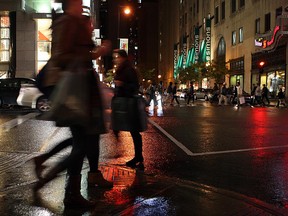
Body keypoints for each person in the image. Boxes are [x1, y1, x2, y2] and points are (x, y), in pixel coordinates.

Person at [32, 0, 112, 209]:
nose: (81, 4)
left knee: (82, 140)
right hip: (75, 91)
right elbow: (62, 56)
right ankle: (63, 189)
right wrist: (95, 52)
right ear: (70, 5)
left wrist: (93, 51)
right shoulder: (68, 22)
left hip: (81, 89)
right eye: (77, 2)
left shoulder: (73, 22)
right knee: (82, 142)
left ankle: (60, 182)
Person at [112, 49, 144, 169]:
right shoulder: (123, 69)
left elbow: (134, 86)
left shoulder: (128, 70)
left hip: (129, 103)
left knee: (134, 131)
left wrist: (122, 85)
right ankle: (137, 156)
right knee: (127, 129)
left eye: (118, 57)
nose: (116, 59)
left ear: (123, 57)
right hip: (123, 102)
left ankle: (138, 156)